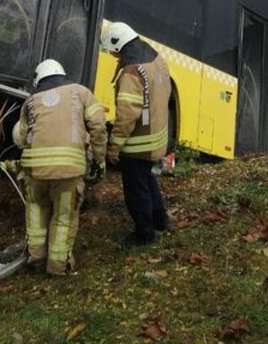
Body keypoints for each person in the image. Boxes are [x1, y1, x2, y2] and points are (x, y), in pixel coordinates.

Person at [14, 59, 107, 276]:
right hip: (68, 172)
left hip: (34, 172)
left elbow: (22, 137)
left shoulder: (29, 102)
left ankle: (35, 257)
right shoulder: (82, 93)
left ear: (39, 80)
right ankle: (57, 267)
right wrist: (99, 159)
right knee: (64, 217)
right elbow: (99, 127)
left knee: (36, 210)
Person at [100, 22, 172, 247]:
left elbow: (126, 116)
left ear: (118, 45)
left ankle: (144, 233)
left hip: (138, 144)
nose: (113, 55)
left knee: (135, 190)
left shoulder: (132, 73)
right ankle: (161, 220)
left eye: (113, 52)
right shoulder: (156, 59)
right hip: (158, 138)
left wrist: (114, 148)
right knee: (148, 179)